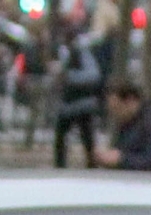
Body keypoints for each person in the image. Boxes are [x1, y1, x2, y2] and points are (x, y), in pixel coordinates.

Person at [53, 14, 104, 168]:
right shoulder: (66, 51)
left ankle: (91, 165)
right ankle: (60, 165)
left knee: (86, 137)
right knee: (62, 136)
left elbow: (94, 75)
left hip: (82, 103)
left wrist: (69, 77)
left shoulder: (82, 51)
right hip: (70, 103)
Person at [95, 75, 151, 171]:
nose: (115, 115)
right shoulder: (129, 123)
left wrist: (121, 159)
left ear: (130, 100)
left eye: (117, 109)